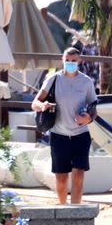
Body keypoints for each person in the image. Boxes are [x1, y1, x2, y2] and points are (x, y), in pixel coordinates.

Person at [32, 47, 97, 204]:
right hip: (58, 134)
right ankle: (63, 208)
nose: (70, 63)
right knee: (61, 179)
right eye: (67, 60)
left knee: (79, 175)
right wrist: (43, 106)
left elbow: (93, 109)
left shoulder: (86, 82)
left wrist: (88, 118)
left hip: (80, 134)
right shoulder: (53, 79)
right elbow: (35, 102)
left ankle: (75, 210)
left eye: (73, 61)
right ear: (62, 60)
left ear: (79, 61)